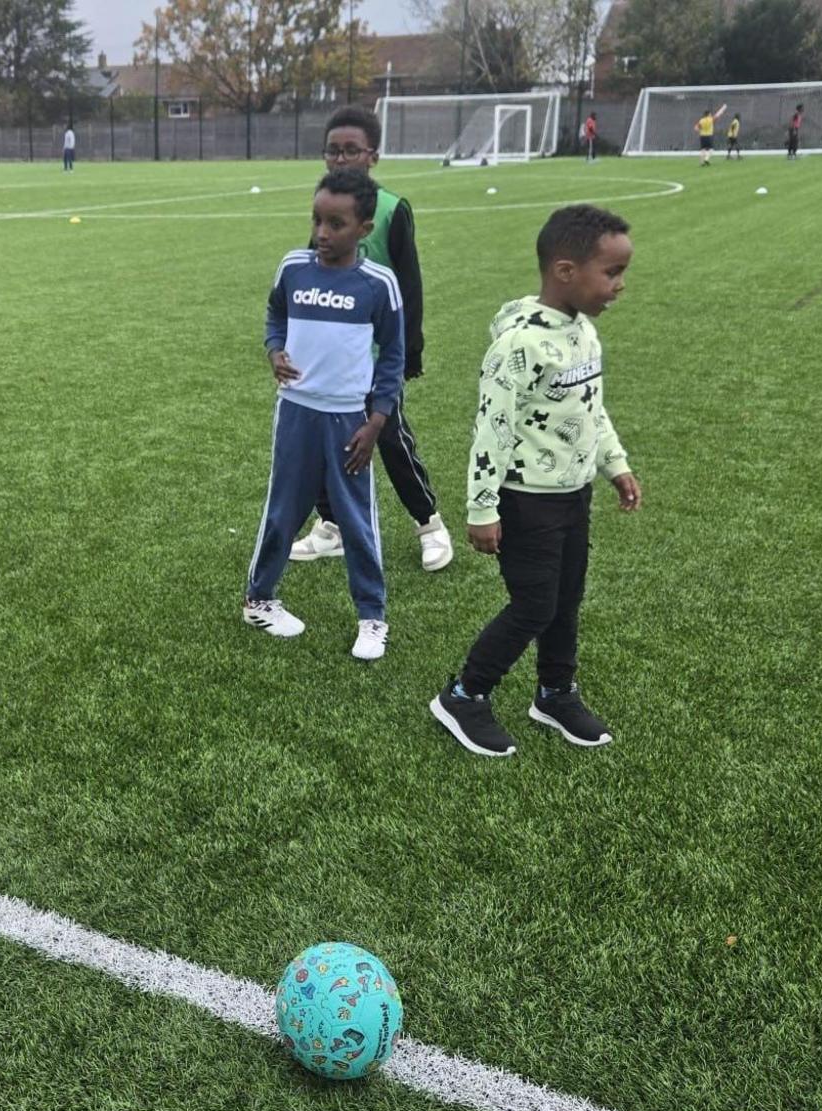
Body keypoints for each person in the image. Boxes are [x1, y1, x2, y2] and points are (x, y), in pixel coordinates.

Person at [430, 204, 641, 757]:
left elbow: (593, 409)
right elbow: (491, 430)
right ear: (566, 271)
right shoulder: (517, 346)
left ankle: (554, 692)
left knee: (565, 599)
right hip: (525, 502)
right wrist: (481, 508)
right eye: (612, 273)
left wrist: (614, 464)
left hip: (575, 494)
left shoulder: (583, 333)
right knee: (534, 606)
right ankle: (464, 694)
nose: (619, 286)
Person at [245, 168, 404, 660]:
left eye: (336, 224)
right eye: (316, 220)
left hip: (348, 420)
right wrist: (275, 351)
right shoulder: (293, 268)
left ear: (365, 229)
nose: (322, 234)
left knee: (356, 519)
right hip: (295, 414)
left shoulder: (378, 284)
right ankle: (259, 599)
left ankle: (371, 617)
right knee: (283, 510)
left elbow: (393, 357)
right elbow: (275, 316)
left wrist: (376, 423)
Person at [290, 107, 452, 573]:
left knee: (390, 440)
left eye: (351, 150)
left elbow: (410, 283)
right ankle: (332, 527)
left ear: (372, 156)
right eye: (333, 151)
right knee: (326, 440)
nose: (341, 159)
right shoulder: (325, 203)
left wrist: (410, 350)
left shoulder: (391, 209)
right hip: (329, 353)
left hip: (377, 354)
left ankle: (430, 525)